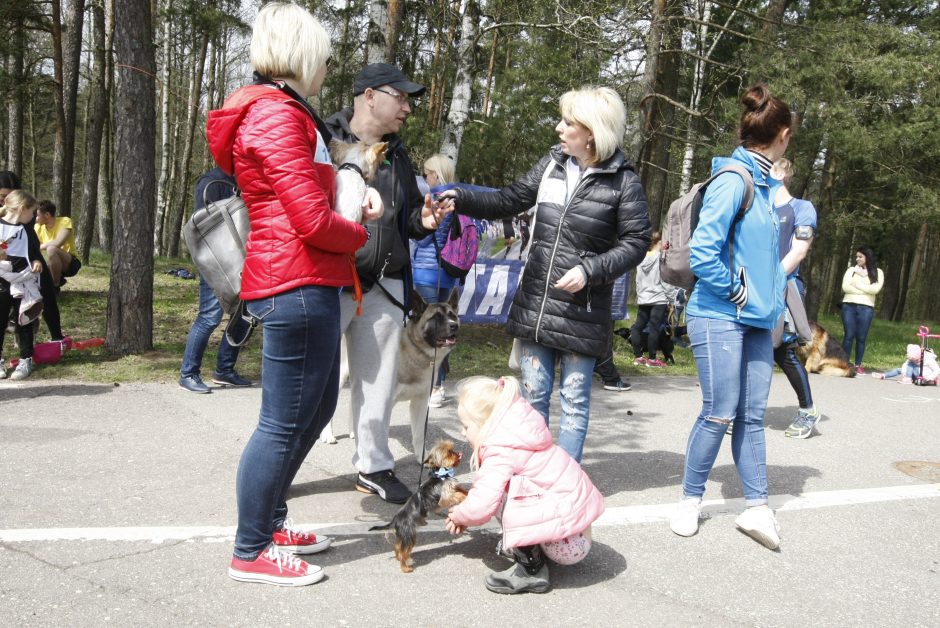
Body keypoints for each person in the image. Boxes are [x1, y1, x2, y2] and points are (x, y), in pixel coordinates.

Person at [205, 2, 384, 587]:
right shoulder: (276, 116)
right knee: (282, 423)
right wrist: (361, 232)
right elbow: (310, 219)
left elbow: (310, 193)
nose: (327, 70)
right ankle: (251, 548)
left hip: (307, 278)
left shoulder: (282, 111)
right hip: (297, 278)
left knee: (316, 410)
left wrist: (352, 188)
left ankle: (271, 520)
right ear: (300, 55)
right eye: (324, 59)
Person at [439, 86, 652, 463]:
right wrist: (460, 195)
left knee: (574, 402)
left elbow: (636, 243)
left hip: (582, 312)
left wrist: (590, 270)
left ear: (592, 131)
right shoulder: (552, 164)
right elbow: (508, 200)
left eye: (568, 122)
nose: (558, 128)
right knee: (534, 396)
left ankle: (565, 484)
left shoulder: (624, 181)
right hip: (537, 303)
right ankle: (532, 476)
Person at [669, 84, 791, 550]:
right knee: (719, 412)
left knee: (752, 415)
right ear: (782, 135)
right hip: (720, 312)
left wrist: (770, 304)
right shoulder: (735, 179)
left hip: (757, 319)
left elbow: (762, 257)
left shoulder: (765, 186)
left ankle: (757, 508)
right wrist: (738, 290)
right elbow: (703, 251)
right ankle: (689, 499)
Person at [325, 63, 441, 503]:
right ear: (370, 95)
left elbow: (407, 221)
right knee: (313, 382)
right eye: (402, 97)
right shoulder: (323, 138)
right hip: (331, 281)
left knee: (376, 383)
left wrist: (425, 221)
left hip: (385, 286)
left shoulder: (398, 154)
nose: (408, 108)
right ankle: (281, 466)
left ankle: (373, 466)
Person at [445, 376, 605, 595]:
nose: (463, 433)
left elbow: (480, 506)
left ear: (485, 424)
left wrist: (459, 515)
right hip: (576, 534)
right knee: (507, 491)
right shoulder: (523, 434)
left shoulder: (502, 451)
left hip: (568, 546)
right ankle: (536, 548)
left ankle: (531, 571)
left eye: (466, 426)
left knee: (501, 498)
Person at [178, 168, 253, 394]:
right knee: (210, 317)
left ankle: (225, 370)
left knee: (243, 315)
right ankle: (188, 374)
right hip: (217, 263)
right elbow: (204, 227)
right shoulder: (212, 182)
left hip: (243, 259)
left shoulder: (247, 180)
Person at [769, 158, 820, 439]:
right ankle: (740, 412)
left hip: (784, 287)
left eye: (770, 169)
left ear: (783, 174)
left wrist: (772, 278)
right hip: (754, 288)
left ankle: (807, 410)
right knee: (750, 347)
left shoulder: (802, 208)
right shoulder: (758, 208)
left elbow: (799, 252)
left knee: (782, 351)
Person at [413, 153, 458, 407]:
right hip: (447, 274)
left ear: (436, 174)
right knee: (444, 330)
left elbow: (424, 237)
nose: (425, 177)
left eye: (427, 172)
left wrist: (417, 225)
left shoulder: (436, 200)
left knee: (429, 331)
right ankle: (437, 385)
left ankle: (433, 387)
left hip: (427, 271)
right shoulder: (455, 198)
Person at [0, 171, 65, 342]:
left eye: (7, 196)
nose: (3, 199)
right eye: (1, 195)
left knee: (47, 291)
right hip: (3, 263)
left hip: (28, 257)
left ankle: (57, 337)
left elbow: (31, 242)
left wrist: (36, 260)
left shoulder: (24, 211)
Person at [0, 190, 42, 380]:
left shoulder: (27, 230)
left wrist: (36, 261)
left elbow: (34, 251)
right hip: (2, 281)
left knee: (24, 320)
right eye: (32, 212)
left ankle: (25, 359)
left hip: (23, 282)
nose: (33, 216)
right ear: (22, 208)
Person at [630, 231, 677, 368]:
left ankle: (638, 356)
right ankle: (652, 359)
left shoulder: (641, 258)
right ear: (658, 242)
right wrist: (671, 299)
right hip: (659, 298)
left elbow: (637, 280)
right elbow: (666, 281)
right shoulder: (661, 258)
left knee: (638, 326)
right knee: (654, 328)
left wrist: (640, 295)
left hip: (644, 297)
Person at [840, 247, 884, 375]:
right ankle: (844, 363)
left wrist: (857, 286)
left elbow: (875, 289)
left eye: (860, 257)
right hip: (849, 306)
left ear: (867, 258)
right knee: (848, 335)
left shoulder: (878, 272)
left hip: (866, 308)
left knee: (861, 337)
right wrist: (866, 289)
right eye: (856, 257)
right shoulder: (851, 270)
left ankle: (858, 364)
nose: (857, 259)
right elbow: (845, 287)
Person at [34, 200, 82, 287]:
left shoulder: (65, 221)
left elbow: (57, 243)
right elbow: (32, 246)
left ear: (47, 215)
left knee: (52, 249)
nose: (36, 218)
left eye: (37, 215)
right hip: (50, 262)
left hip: (70, 263)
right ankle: (57, 279)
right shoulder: (38, 227)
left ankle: (55, 286)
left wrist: (38, 246)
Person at [872, 343, 939, 384]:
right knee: (899, 369)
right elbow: (905, 365)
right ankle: (884, 375)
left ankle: (908, 378)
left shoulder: (928, 359)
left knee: (911, 364)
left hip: (923, 375)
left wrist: (929, 377)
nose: (914, 361)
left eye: (916, 360)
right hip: (914, 373)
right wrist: (904, 373)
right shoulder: (912, 359)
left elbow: (937, 370)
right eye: (912, 360)